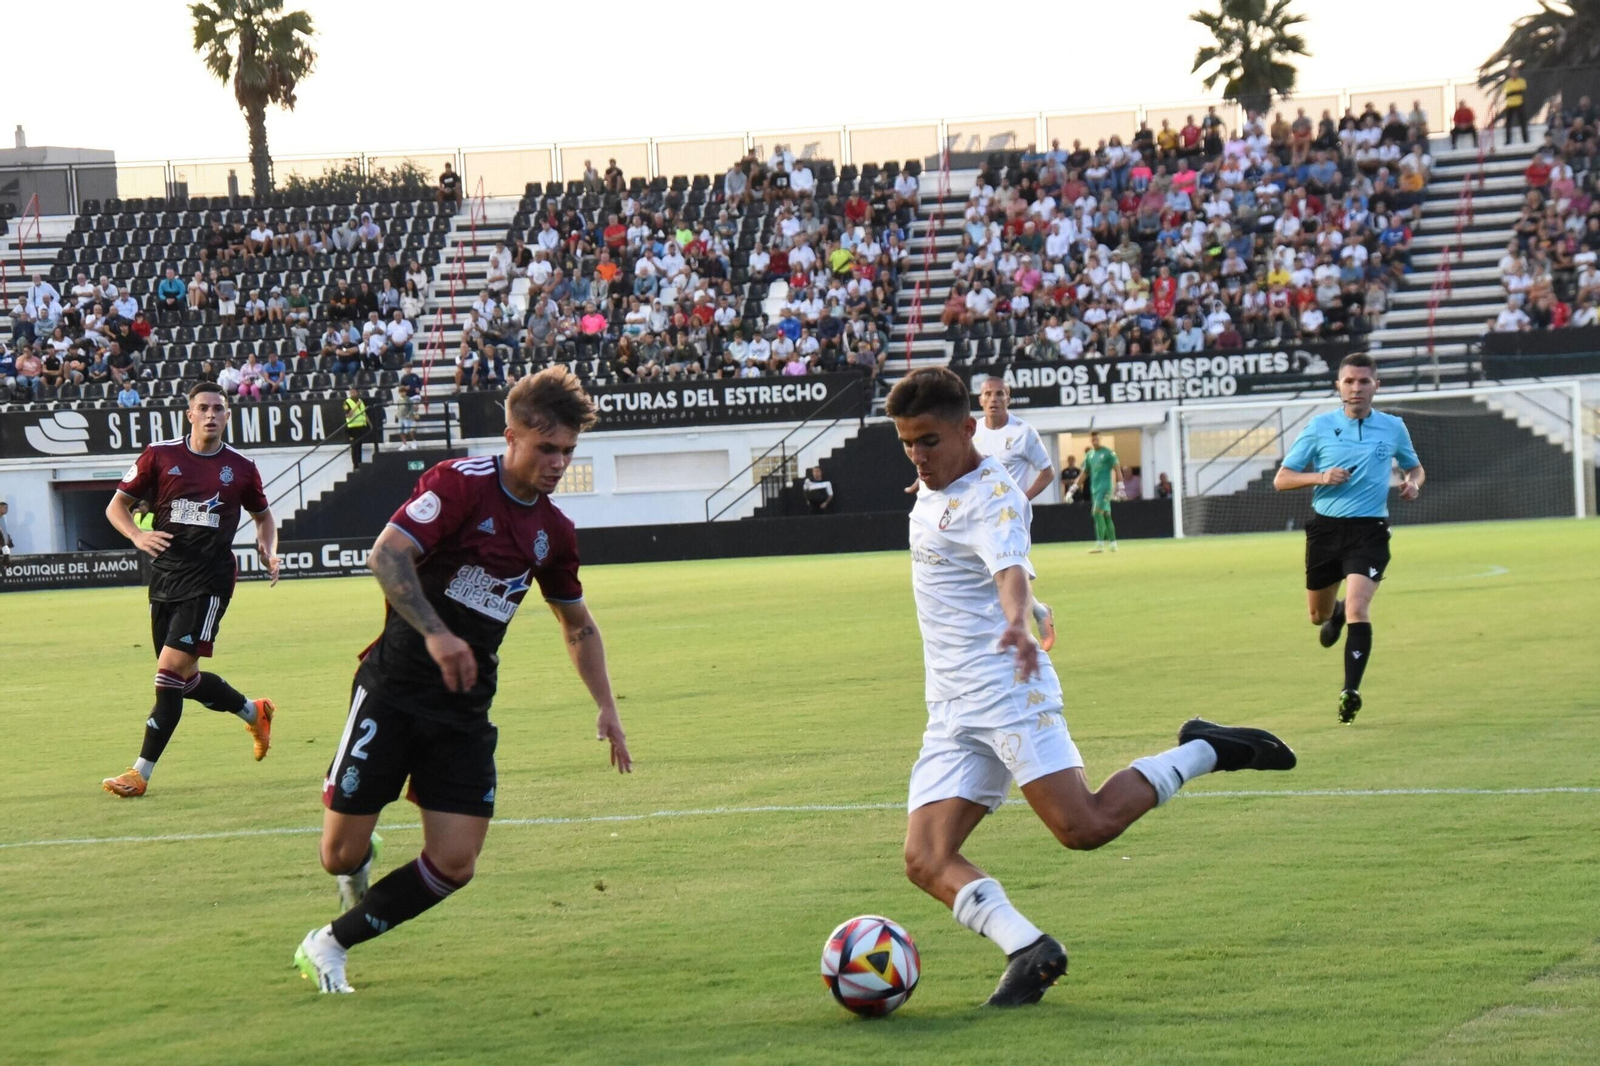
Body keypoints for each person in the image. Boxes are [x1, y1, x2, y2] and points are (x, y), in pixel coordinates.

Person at [887, 367, 1295, 1008]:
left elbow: (1008, 569)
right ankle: (1029, 950)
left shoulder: (995, 497)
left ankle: (1206, 750)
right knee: (925, 858)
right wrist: (1038, 611)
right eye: (908, 442)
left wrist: (1021, 619)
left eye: (929, 441)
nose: (918, 455)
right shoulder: (932, 484)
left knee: (1085, 826)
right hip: (950, 706)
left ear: (968, 429)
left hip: (1006, 687)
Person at [293, 366, 633, 995]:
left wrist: (607, 706)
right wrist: (435, 632)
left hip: (465, 710)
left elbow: (577, 623)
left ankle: (330, 943)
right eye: (546, 448)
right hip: (392, 691)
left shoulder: (553, 531)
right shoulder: (458, 485)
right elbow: (388, 554)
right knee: (338, 856)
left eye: (567, 451)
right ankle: (356, 863)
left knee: (455, 864)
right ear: (511, 436)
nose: (558, 463)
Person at [100, 382, 281, 798]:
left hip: (210, 580)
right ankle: (255, 712)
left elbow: (264, 518)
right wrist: (136, 536)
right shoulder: (160, 455)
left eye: (219, 408)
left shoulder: (240, 467)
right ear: (190, 414)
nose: (211, 414)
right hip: (166, 578)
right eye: (203, 408)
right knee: (186, 678)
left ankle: (139, 773)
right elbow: (116, 507)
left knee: (167, 676)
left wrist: (269, 551)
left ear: (228, 415)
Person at [1272, 352, 1425, 724]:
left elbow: (1415, 467)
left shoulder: (1393, 427)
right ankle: (1334, 612)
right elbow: (1282, 479)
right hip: (1326, 530)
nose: (1356, 388)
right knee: (1317, 616)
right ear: (1338, 386)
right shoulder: (1319, 427)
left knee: (1360, 607)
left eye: (1364, 381)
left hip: (1369, 531)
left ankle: (1350, 691)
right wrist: (1321, 477)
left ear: (1376, 386)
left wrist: (1412, 485)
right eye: (1349, 381)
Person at [1069, 431, 1125, 553]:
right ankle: (1113, 544)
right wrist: (1072, 489)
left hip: (1105, 487)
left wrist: (1121, 487)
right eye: (1093, 439)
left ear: (1100, 439)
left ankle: (1100, 544)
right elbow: (1084, 473)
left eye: (1097, 439)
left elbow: (1117, 469)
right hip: (1095, 488)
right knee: (1106, 515)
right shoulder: (1090, 455)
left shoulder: (1108, 453)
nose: (1095, 441)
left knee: (1096, 512)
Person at [1502, 65, 1529, 146]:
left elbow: (1522, 90)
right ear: (1510, 73)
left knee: (1522, 122)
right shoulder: (1507, 83)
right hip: (1510, 105)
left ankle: (1525, 139)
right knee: (1508, 124)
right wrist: (1515, 92)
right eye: (1512, 72)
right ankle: (1508, 141)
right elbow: (1507, 92)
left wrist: (1513, 92)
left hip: (1519, 104)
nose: (1514, 73)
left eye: (1515, 71)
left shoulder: (1522, 81)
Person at [344, 386, 371, 468]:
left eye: (354, 392)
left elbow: (364, 413)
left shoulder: (360, 401)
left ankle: (360, 463)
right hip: (353, 428)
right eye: (351, 392)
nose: (352, 393)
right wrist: (356, 406)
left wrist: (369, 423)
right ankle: (355, 465)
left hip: (361, 427)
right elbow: (348, 415)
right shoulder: (347, 402)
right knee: (354, 448)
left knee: (359, 447)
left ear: (357, 392)